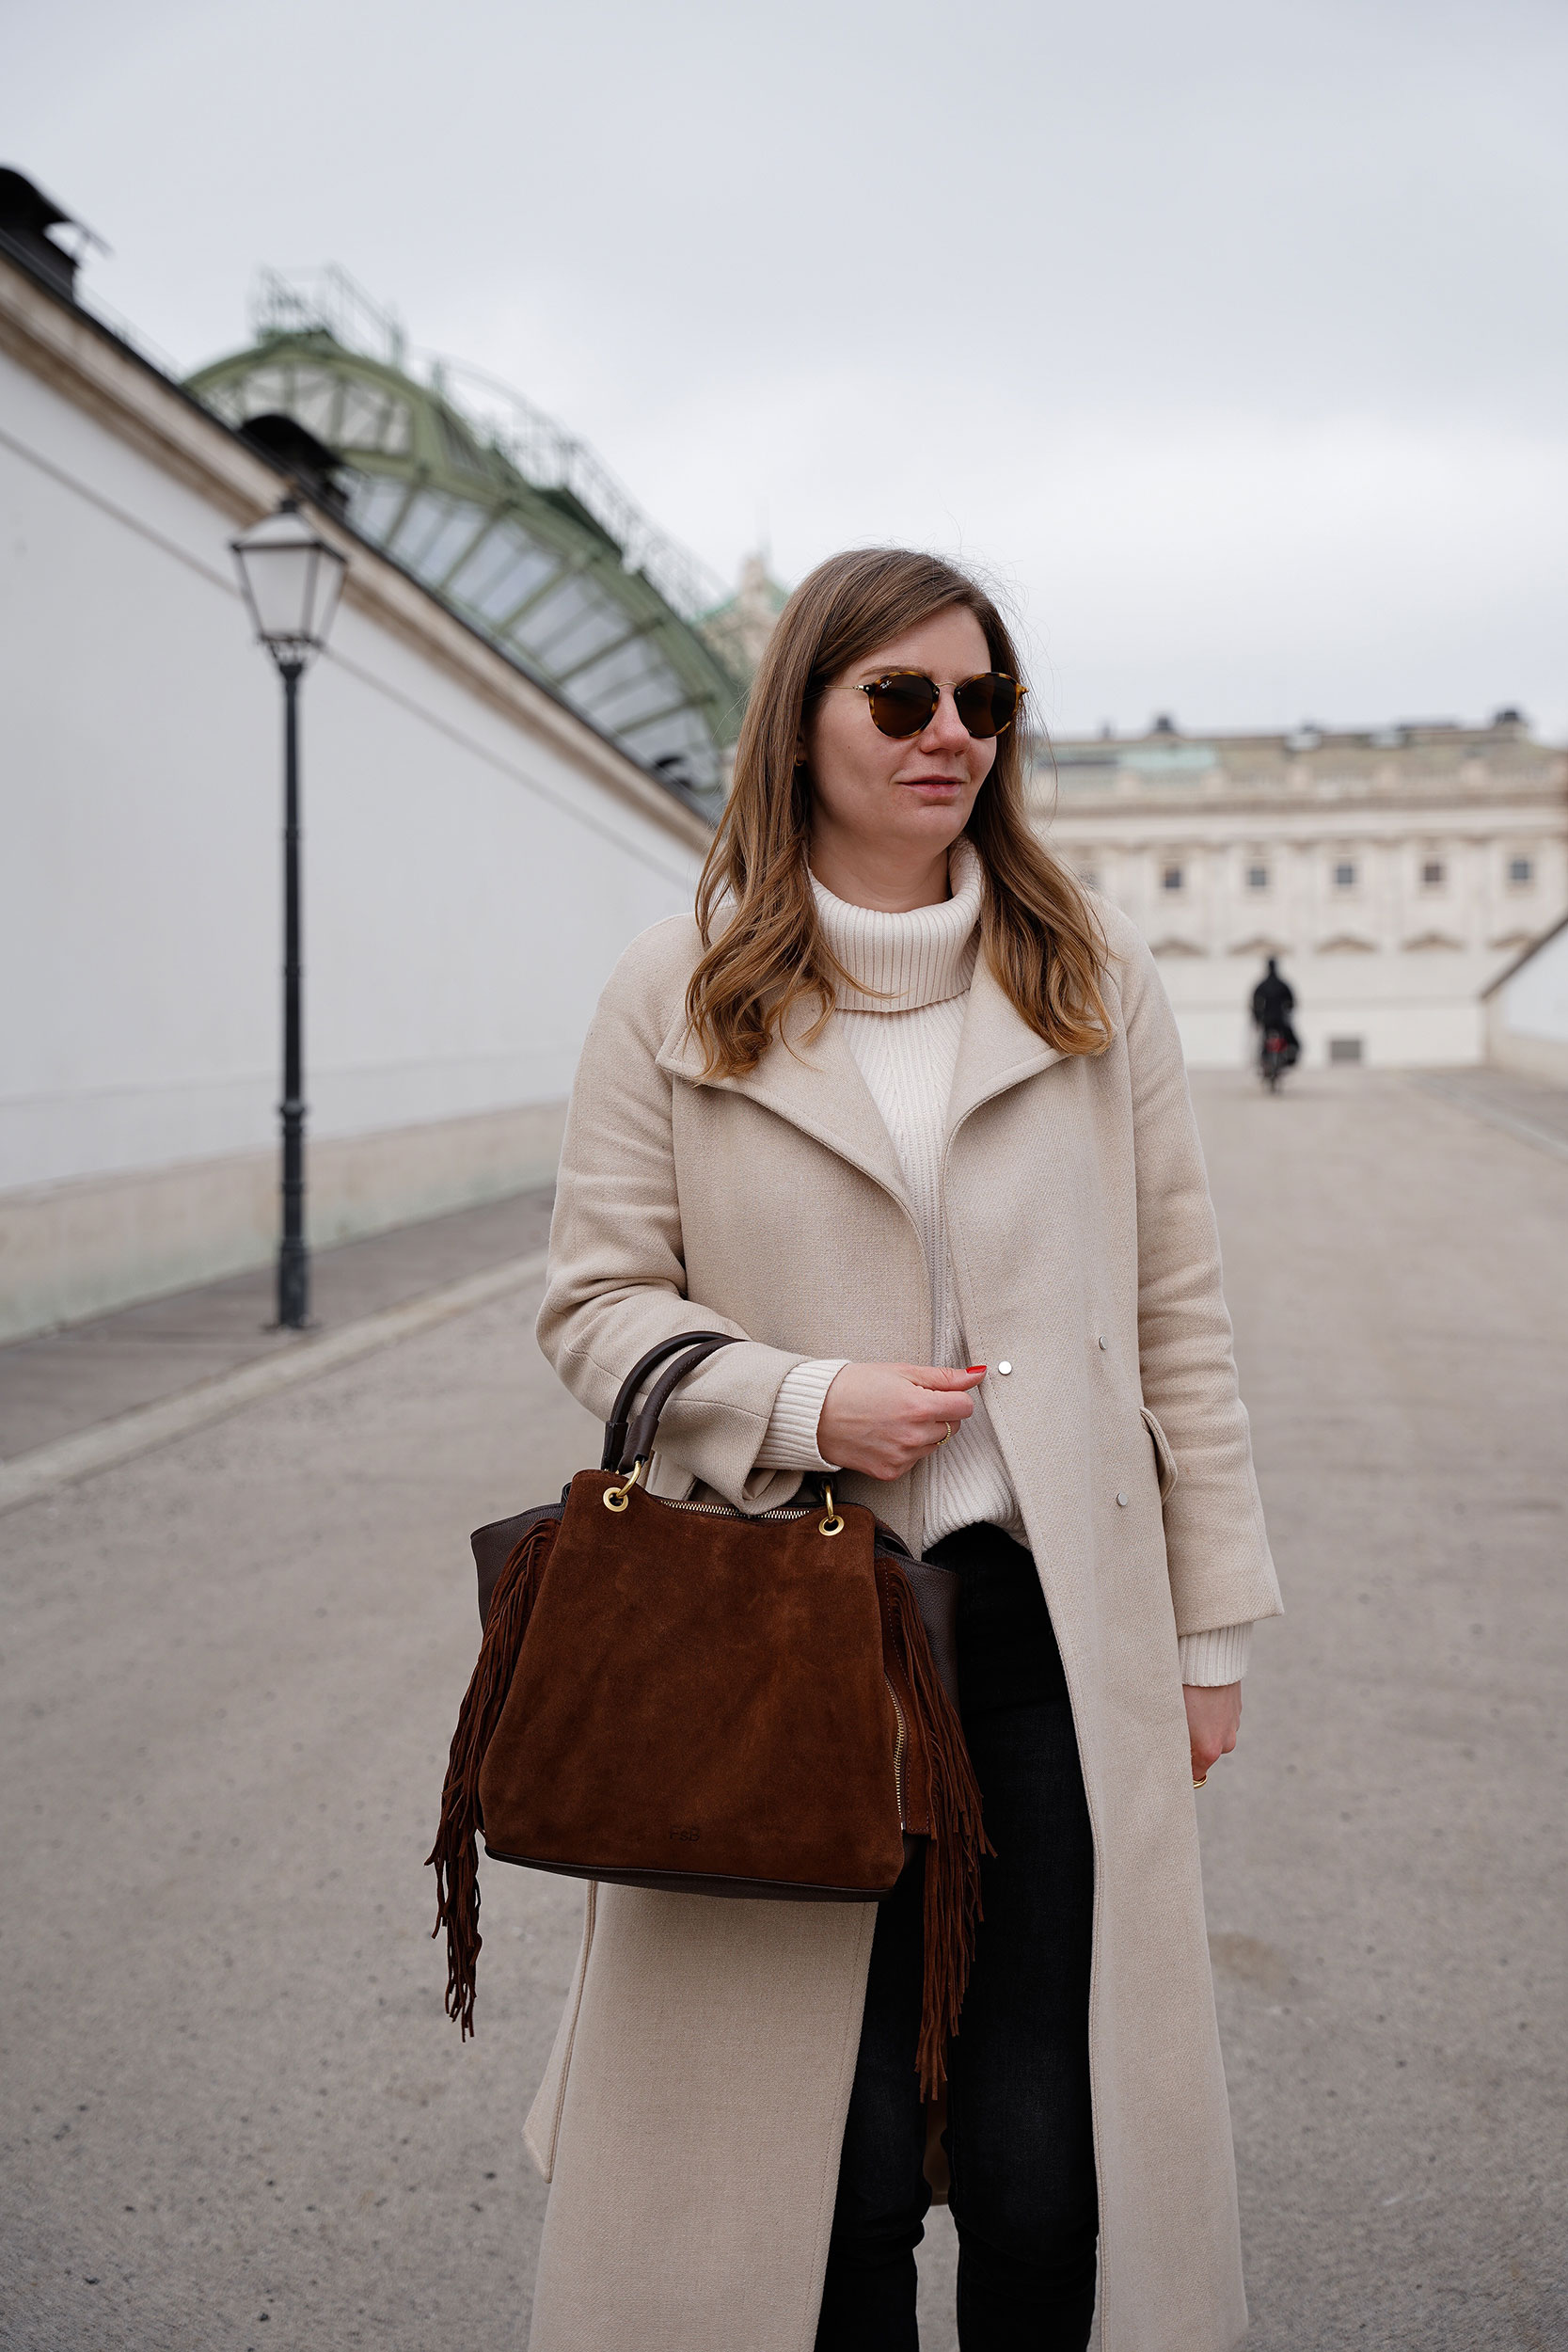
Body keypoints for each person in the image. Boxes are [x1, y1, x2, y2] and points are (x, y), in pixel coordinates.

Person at [526, 548, 1282, 2352]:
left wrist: (1208, 1630)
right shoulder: (678, 987)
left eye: (984, 700)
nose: (951, 735)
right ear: (800, 723)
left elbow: (1178, 1314)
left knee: (1046, 2159)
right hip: (784, 1632)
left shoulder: (1092, 980)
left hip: (1046, 1628)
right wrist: (803, 1402)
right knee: (818, 2172)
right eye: (901, 698)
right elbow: (591, 1304)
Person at [1251, 956, 1300, 1065]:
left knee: (1264, 1039)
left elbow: (1255, 1002)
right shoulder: (1282, 984)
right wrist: (1288, 1011)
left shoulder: (1262, 985)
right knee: (1291, 1039)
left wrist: (1257, 1017)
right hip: (1280, 1019)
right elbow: (1291, 1001)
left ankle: (1264, 1059)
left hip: (1267, 1019)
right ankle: (1289, 1058)